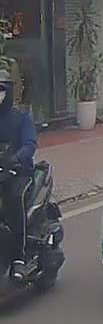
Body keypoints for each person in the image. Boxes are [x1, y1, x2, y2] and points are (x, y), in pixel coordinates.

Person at [0, 69, 38, 280]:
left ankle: (18, 258)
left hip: (18, 173)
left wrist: (17, 157)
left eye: (1, 89)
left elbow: (29, 144)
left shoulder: (21, 118)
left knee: (14, 199)